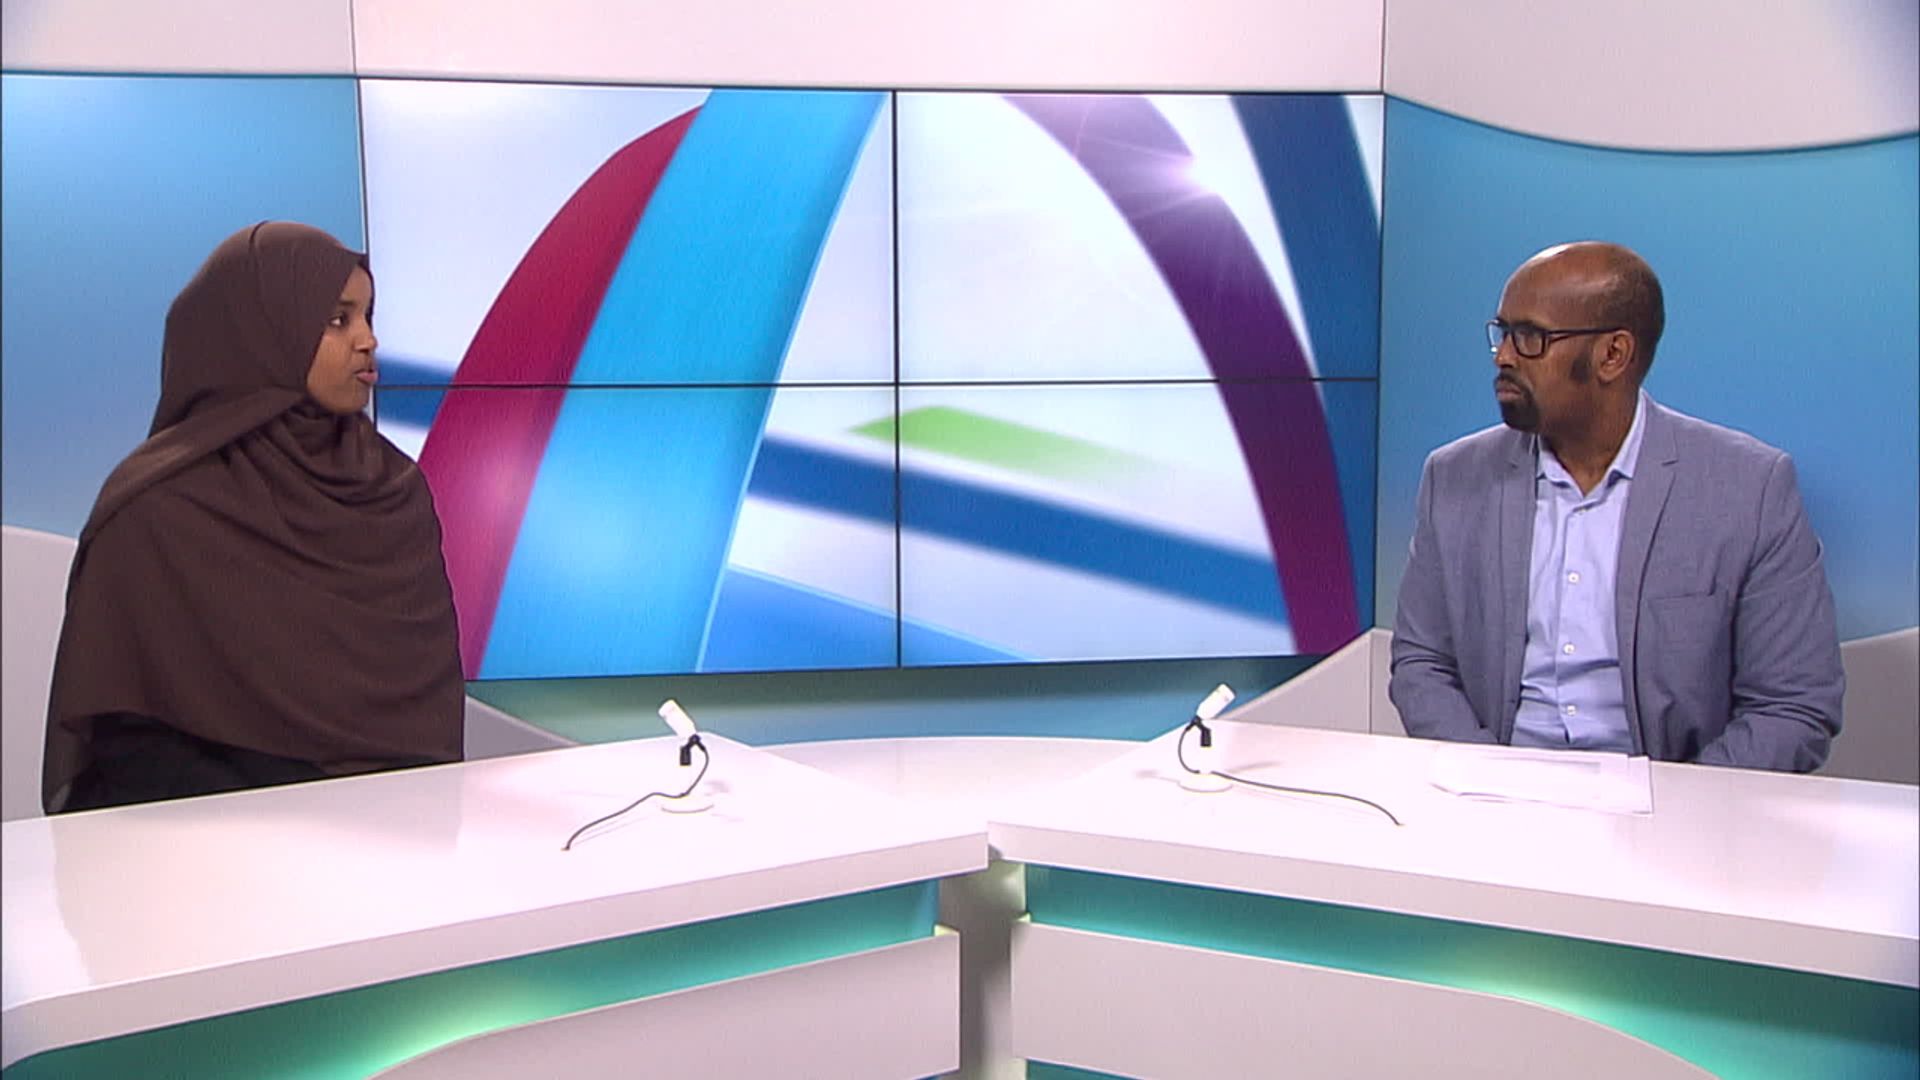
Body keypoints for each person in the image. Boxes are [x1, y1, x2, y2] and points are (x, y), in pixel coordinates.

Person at [42, 222, 466, 813]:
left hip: (397, 835)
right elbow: (131, 746)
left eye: (368, 317)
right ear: (258, 334)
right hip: (210, 845)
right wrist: (292, 822)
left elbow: (422, 722)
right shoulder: (157, 510)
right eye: (337, 320)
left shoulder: (392, 492)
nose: (367, 341)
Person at [1388, 241, 1842, 771]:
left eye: (1531, 337)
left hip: (1677, 802)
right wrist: (1491, 781)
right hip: (1493, 792)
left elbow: (1792, 706)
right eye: (1502, 333)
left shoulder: (1749, 489)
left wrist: (1680, 804)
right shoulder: (1454, 477)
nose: (1504, 356)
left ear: (1613, 355)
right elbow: (1422, 664)